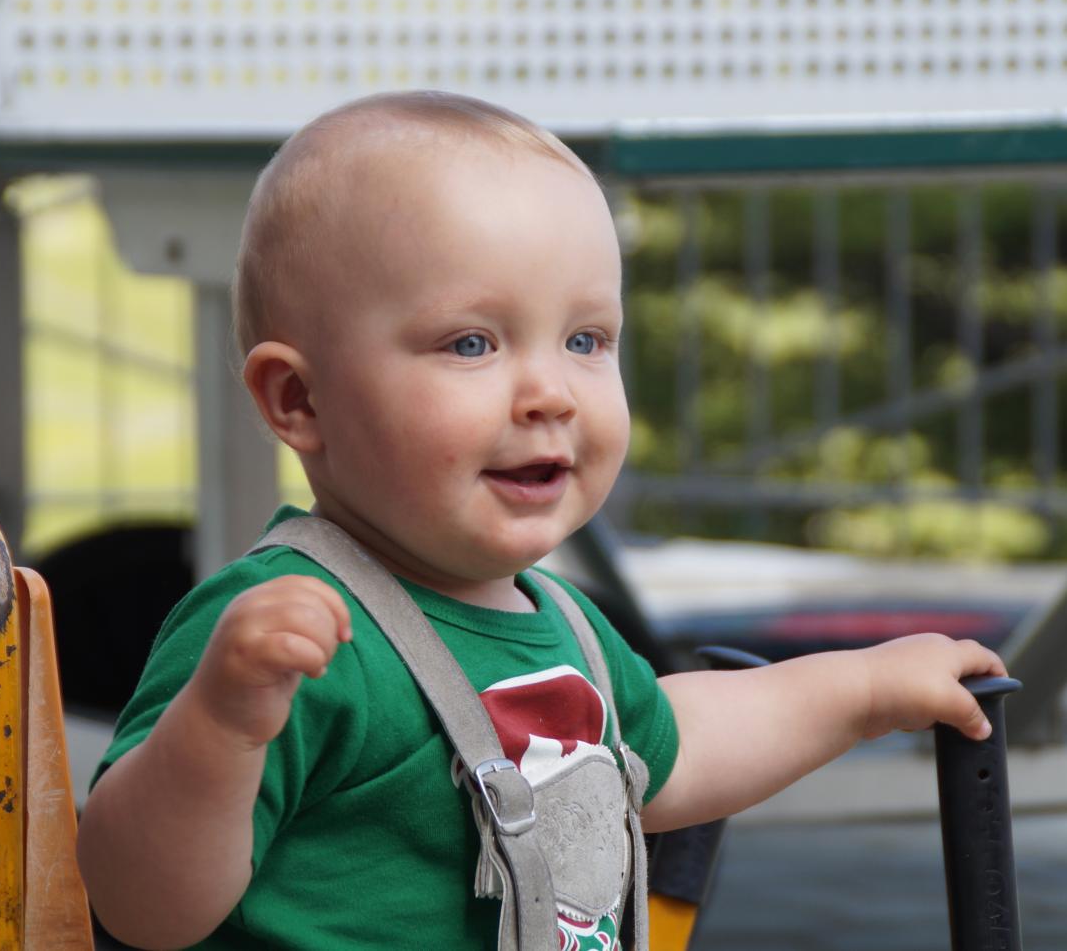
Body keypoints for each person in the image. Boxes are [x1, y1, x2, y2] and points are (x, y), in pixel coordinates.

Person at [76, 90, 1006, 951]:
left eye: (586, 340)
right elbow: (139, 902)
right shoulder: (286, 635)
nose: (550, 392)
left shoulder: (562, 626)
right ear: (299, 400)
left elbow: (680, 749)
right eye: (472, 343)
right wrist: (222, 726)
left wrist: (867, 689)